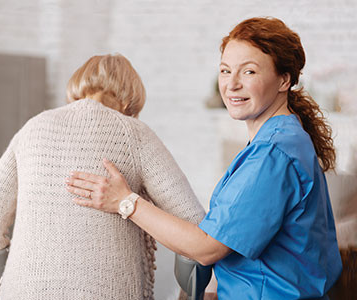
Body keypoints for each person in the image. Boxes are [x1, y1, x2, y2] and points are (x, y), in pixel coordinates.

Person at [66, 17, 343, 299]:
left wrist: (125, 202)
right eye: (225, 71)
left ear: (283, 79)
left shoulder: (273, 153)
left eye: (248, 72)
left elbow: (208, 247)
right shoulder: (282, 138)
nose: (232, 84)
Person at [0, 54, 205, 300]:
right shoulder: (136, 135)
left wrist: (10, 285)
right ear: (130, 97)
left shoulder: (32, 128)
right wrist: (191, 293)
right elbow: (193, 223)